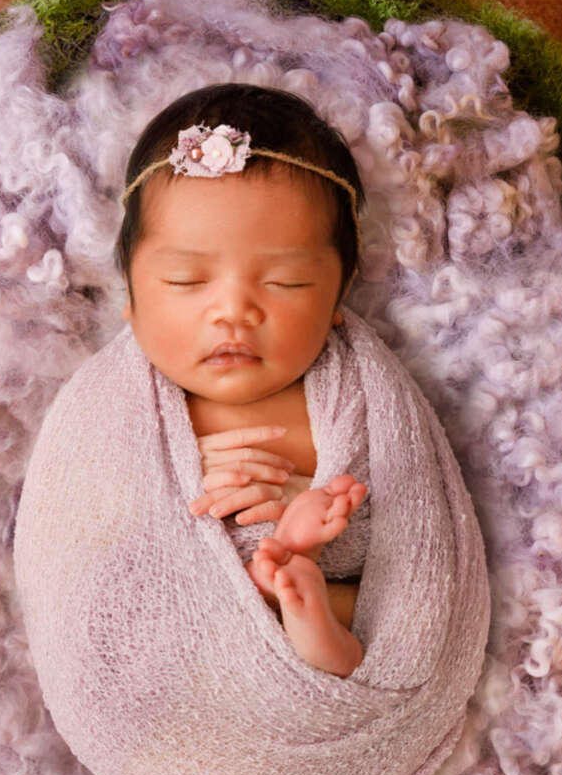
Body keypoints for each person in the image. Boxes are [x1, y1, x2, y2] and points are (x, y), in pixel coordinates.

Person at [114, 83, 371, 677]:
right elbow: (82, 532)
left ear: (340, 292)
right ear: (129, 292)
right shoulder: (116, 413)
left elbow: (411, 535)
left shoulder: (353, 402)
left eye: (285, 283)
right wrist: (169, 485)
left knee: (365, 612)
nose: (233, 312)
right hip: (172, 651)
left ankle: (308, 623)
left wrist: (304, 513)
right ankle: (277, 601)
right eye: (184, 280)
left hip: (326, 612)